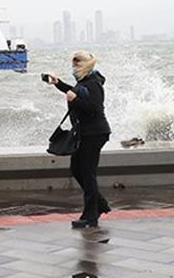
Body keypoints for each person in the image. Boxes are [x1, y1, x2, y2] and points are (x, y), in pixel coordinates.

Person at [45, 51, 111, 228]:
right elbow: (74, 92)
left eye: (77, 64)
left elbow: (94, 109)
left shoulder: (94, 83)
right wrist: (57, 83)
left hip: (95, 133)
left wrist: (75, 101)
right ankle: (100, 205)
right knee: (77, 169)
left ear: (85, 65)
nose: (74, 68)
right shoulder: (83, 82)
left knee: (87, 173)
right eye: (73, 64)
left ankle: (91, 215)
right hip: (85, 133)